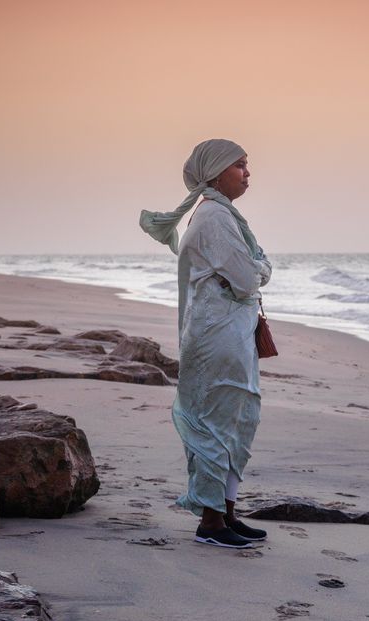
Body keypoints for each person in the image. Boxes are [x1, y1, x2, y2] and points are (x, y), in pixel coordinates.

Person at [139, 139, 272, 548]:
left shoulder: (222, 214)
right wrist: (264, 267)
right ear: (216, 173)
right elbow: (251, 277)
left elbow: (247, 273)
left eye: (247, 166)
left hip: (228, 333)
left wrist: (257, 268)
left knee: (236, 419)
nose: (248, 173)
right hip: (218, 337)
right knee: (218, 423)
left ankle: (226, 512)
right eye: (241, 166)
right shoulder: (214, 216)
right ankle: (211, 523)